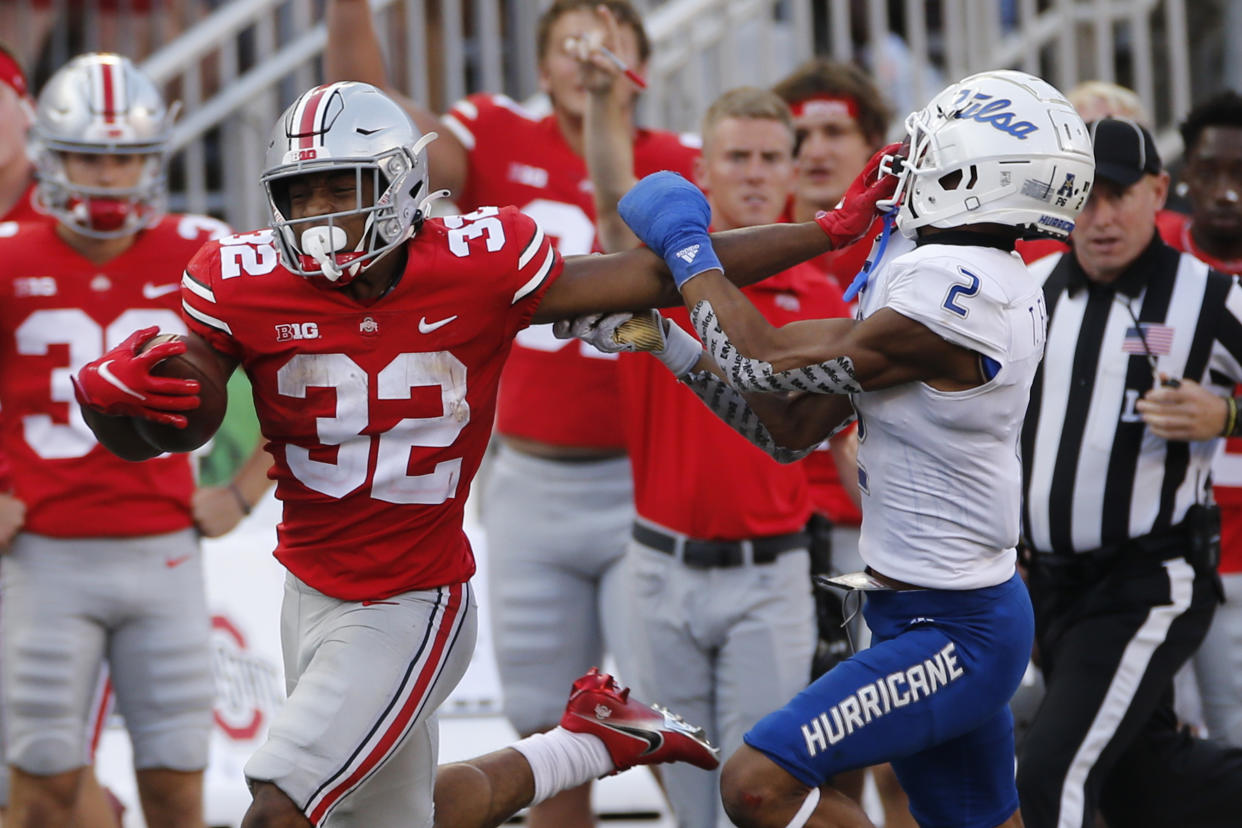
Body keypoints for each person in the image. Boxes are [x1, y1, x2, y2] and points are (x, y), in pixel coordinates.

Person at [70, 80, 889, 827]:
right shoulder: (239, 277)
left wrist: (824, 232)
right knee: (399, 819)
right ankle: (591, 742)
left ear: (397, 184)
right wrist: (125, 406)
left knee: (281, 807)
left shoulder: (479, 263)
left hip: (410, 598)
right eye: (301, 192)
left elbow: (654, 277)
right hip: (308, 588)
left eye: (340, 188)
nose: (318, 213)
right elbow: (188, 410)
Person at [607, 68, 1096, 828]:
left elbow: (758, 356)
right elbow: (790, 428)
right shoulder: (936, 260)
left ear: (969, 171)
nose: (907, 158)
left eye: (930, 145)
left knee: (757, 784)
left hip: (956, 630)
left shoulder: (960, 294)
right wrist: (663, 340)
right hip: (921, 609)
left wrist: (684, 243)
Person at [321, 5, 698, 823]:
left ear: (640, 62)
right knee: (541, 723)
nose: (588, 57)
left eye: (608, 42)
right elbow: (362, 105)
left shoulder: (676, 160)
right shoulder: (493, 134)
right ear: (538, 66)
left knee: (665, 714)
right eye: (570, 43)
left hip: (644, 484)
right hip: (528, 477)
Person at [575, 84, 852, 828]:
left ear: (793, 169)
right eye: (738, 156)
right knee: (687, 800)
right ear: (702, 168)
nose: (756, 172)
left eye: (771, 156)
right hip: (658, 568)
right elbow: (611, 193)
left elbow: (827, 436)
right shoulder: (651, 273)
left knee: (757, 798)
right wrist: (605, 104)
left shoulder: (825, 290)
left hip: (771, 574)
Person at [0, 53, 233, 827]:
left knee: (176, 790)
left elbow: (292, 375)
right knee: (41, 793)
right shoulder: (7, 252)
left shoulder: (204, 253)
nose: (106, 178)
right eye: (87, 159)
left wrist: (240, 487)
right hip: (44, 556)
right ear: (48, 157)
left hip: (162, 554)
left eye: (124, 157)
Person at [1017, 116, 1242, 828]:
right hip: (1048, 585)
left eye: (1119, 195)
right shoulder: (1027, 288)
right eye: (1083, 196)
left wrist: (1227, 417)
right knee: (1148, 787)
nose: (1101, 216)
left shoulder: (1210, 297)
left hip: (1149, 576)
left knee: (1051, 776)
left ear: (1159, 191)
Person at [1156, 91, 1242, 747]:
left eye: (1241, 174)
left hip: (1236, 552)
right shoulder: (1144, 251)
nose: (1226, 193)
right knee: (1144, 752)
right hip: (1146, 546)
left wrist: (1228, 414)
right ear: (1182, 175)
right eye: (1210, 172)